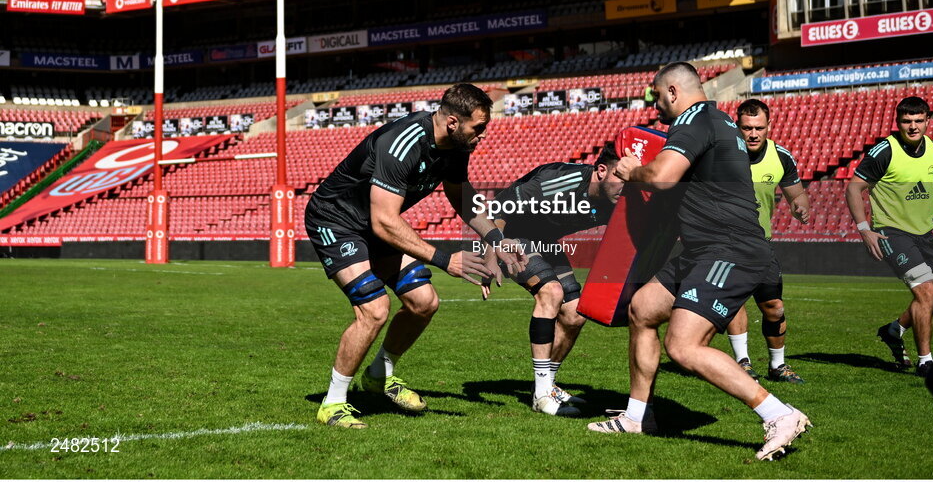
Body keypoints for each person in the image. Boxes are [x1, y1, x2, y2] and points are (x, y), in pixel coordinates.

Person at [588, 63, 811, 461]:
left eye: (657, 97)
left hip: (727, 249)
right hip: (702, 249)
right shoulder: (721, 121)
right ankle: (638, 416)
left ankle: (780, 414)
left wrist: (630, 170)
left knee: (683, 345)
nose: (657, 106)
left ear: (673, 91)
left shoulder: (696, 118)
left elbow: (662, 176)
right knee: (642, 309)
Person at [304, 83, 526, 429]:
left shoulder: (456, 146)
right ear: (453, 122)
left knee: (424, 301)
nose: (482, 135)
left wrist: (495, 237)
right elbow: (383, 221)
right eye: (478, 128)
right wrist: (445, 260)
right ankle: (332, 403)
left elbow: (460, 195)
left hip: (376, 222)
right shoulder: (402, 143)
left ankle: (379, 375)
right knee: (374, 309)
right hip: (337, 220)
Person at [489, 144, 623, 417]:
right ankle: (541, 395)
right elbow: (500, 208)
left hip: (544, 240)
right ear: (601, 171)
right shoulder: (558, 181)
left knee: (575, 314)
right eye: (621, 177)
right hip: (510, 233)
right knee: (550, 292)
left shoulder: (619, 201)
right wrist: (496, 247)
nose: (627, 186)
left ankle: (548, 385)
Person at [847, 94, 933, 377]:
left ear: (928, 121)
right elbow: (854, 188)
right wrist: (864, 229)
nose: (913, 126)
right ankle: (926, 361)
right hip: (892, 232)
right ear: (898, 122)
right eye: (907, 121)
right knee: (926, 292)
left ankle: (894, 330)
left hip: (924, 233)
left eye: (919, 120)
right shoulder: (885, 150)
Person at [727, 99, 809, 384]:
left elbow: (796, 195)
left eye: (759, 128)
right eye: (747, 128)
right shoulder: (722, 154)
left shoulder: (781, 156)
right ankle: (742, 362)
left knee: (774, 306)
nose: (753, 134)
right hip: (726, 242)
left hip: (761, 244)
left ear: (768, 127)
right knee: (734, 302)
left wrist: (800, 206)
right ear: (737, 127)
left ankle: (778, 366)